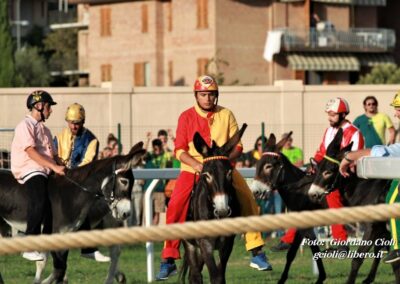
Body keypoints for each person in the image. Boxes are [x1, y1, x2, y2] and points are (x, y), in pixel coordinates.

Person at [156, 75, 272, 281]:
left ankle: (256, 250)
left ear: (216, 96)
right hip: (192, 169)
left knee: (247, 197)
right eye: (203, 94)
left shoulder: (227, 114)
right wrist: (198, 165)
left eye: (211, 94)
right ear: (196, 96)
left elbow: (238, 146)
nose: (207, 98)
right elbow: (180, 150)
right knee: (174, 205)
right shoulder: (186, 117)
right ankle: (169, 258)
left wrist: (224, 161)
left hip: (222, 167)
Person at [272, 98, 365, 252]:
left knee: (331, 194)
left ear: (343, 115)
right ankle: (289, 239)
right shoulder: (329, 131)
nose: (330, 118)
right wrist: (313, 165)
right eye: (329, 114)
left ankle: (341, 244)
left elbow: (355, 158)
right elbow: (321, 152)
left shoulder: (355, 133)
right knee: (301, 194)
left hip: (347, 178)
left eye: (333, 114)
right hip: (326, 176)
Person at [339, 92, 400, 264]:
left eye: (398, 109)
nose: (396, 114)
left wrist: (351, 156)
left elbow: (389, 152)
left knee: (393, 197)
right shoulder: (359, 120)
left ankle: (398, 247)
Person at [11, 90, 65, 261]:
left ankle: (44, 244)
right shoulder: (24, 126)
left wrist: (60, 163)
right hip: (29, 169)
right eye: (49, 106)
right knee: (40, 199)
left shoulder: (46, 130)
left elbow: (53, 155)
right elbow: (31, 152)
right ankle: (28, 245)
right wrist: (54, 168)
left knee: (55, 202)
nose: (51, 110)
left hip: (44, 169)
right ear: (39, 106)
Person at [53, 103, 110, 262]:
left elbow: (86, 165)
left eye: (77, 122)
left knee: (86, 206)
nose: (74, 125)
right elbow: (53, 155)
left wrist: (67, 173)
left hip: (80, 184)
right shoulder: (58, 137)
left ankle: (89, 247)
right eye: (71, 122)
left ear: (83, 122)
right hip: (58, 180)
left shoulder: (92, 141)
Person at [143, 138, 172, 225]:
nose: (157, 150)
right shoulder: (149, 156)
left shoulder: (164, 156)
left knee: (157, 212)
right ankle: (147, 233)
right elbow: (142, 153)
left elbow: (172, 156)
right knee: (147, 212)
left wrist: (165, 145)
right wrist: (147, 140)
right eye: (155, 147)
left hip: (160, 189)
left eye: (159, 147)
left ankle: (154, 234)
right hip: (148, 189)